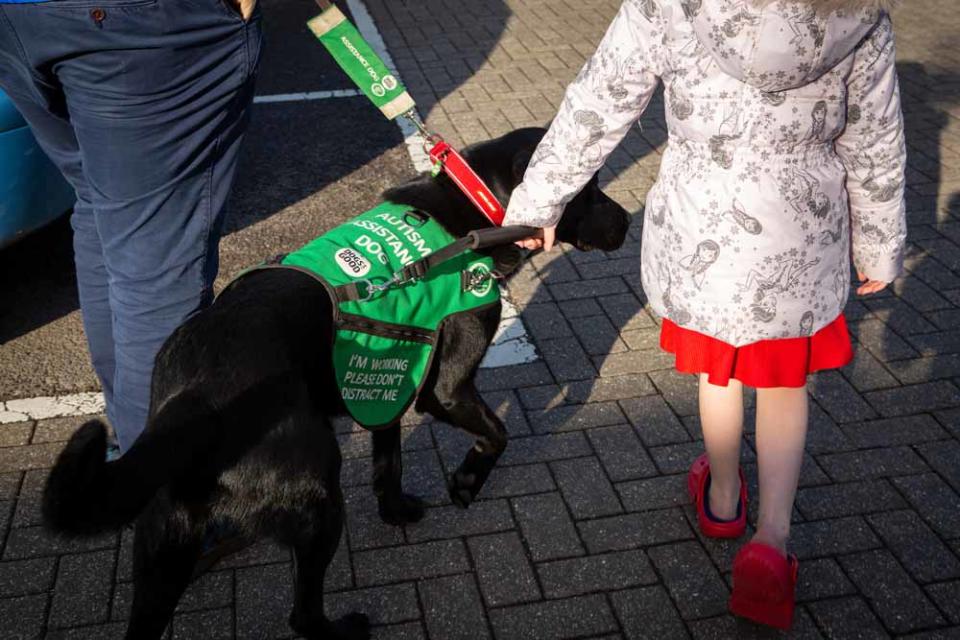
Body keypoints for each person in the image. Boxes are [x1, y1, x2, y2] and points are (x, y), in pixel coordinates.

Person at [505, 0, 905, 629]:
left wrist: (539, 200)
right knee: (784, 384)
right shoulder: (859, 12)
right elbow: (876, 137)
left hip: (705, 237)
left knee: (719, 373)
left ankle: (722, 499)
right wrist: (880, 241)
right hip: (799, 237)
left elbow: (600, 99)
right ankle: (771, 545)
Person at [0, 0, 261, 455]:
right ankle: (159, 489)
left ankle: (132, 440)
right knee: (157, 268)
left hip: (21, 17)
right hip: (138, 23)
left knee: (101, 209)